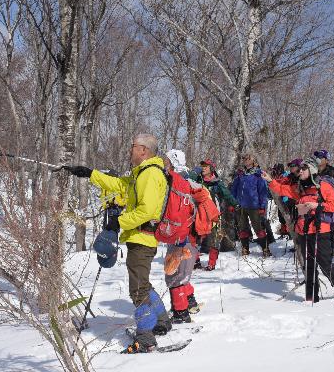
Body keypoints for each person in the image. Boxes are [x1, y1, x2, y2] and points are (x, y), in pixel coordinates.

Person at [61, 133, 172, 354]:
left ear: (144, 150)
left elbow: (147, 210)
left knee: (138, 291)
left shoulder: (150, 174)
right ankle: (162, 320)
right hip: (139, 238)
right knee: (144, 285)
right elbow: (118, 184)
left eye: (133, 147)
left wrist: (117, 221)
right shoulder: (141, 173)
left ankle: (146, 339)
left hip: (142, 239)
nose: (129, 150)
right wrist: (90, 173)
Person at [293, 158, 334, 302]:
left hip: (321, 230)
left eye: (303, 168)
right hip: (304, 230)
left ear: (312, 170)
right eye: (299, 169)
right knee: (308, 264)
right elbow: (283, 190)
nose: (299, 171)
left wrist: (316, 206)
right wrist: (270, 181)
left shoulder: (323, 185)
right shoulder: (301, 187)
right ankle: (311, 297)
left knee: (325, 263)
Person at [162, 150, 201, 321]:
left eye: (167, 160)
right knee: (183, 272)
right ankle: (189, 302)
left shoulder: (174, 180)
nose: (165, 163)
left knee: (173, 274)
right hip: (191, 235)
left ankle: (180, 313)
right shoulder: (191, 179)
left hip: (180, 235)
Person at [189, 158, 238, 270]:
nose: (203, 168)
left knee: (214, 238)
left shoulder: (217, 183)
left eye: (206, 166)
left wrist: (235, 204)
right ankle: (196, 261)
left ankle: (211, 264)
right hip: (198, 214)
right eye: (202, 166)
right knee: (194, 237)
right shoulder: (197, 179)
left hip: (213, 215)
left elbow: (227, 194)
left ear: (211, 169)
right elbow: (187, 180)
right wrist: (193, 172)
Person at [230, 153, 271, 257]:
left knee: (258, 228)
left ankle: (265, 249)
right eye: (244, 158)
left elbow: (263, 191)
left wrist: (262, 206)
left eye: (248, 159)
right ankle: (245, 249)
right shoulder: (240, 174)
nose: (246, 160)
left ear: (253, 160)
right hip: (240, 205)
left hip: (254, 206)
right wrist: (232, 202)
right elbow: (234, 189)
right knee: (242, 228)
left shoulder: (258, 174)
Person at [313, 149, 334, 255]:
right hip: (318, 204)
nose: (318, 159)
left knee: (331, 230)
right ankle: (318, 251)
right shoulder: (313, 172)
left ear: (326, 160)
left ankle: (329, 252)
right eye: (317, 157)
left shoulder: (333, 172)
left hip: (332, 204)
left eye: (321, 157)